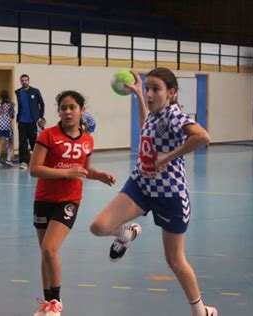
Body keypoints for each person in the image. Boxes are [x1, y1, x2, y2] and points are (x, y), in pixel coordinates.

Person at [89, 68, 217, 316]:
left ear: (171, 93)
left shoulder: (173, 116)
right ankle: (127, 233)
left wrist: (169, 156)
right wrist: (138, 95)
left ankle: (201, 310)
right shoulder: (154, 115)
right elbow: (145, 125)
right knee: (99, 227)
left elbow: (203, 136)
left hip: (170, 194)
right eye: (147, 88)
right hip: (141, 186)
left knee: (174, 259)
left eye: (155, 89)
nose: (149, 93)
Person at [30, 90, 115, 316]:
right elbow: (34, 169)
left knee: (50, 248)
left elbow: (84, 169)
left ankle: (56, 303)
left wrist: (98, 175)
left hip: (68, 200)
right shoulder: (48, 135)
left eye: (72, 108)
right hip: (44, 199)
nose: (68, 112)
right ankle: (47, 304)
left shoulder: (87, 140)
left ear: (81, 111)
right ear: (58, 111)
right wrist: (67, 173)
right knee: (45, 253)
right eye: (63, 108)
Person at [15, 74, 45, 170]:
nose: (24, 82)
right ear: (20, 81)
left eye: (26, 80)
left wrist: (40, 117)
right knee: (22, 142)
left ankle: (37, 161)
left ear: (28, 81)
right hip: (22, 121)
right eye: (22, 80)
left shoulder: (35, 91)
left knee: (34, 142)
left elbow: (42, 104)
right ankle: (23, 162)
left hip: (32, 121)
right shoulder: (18, 92)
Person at [0, 90, 15, 167]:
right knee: (9, 142)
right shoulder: (10, 105)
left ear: (0, 96)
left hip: (0, 126)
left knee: (0, 143)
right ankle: (8, 160)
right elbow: (12, 116)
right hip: (7, 126)